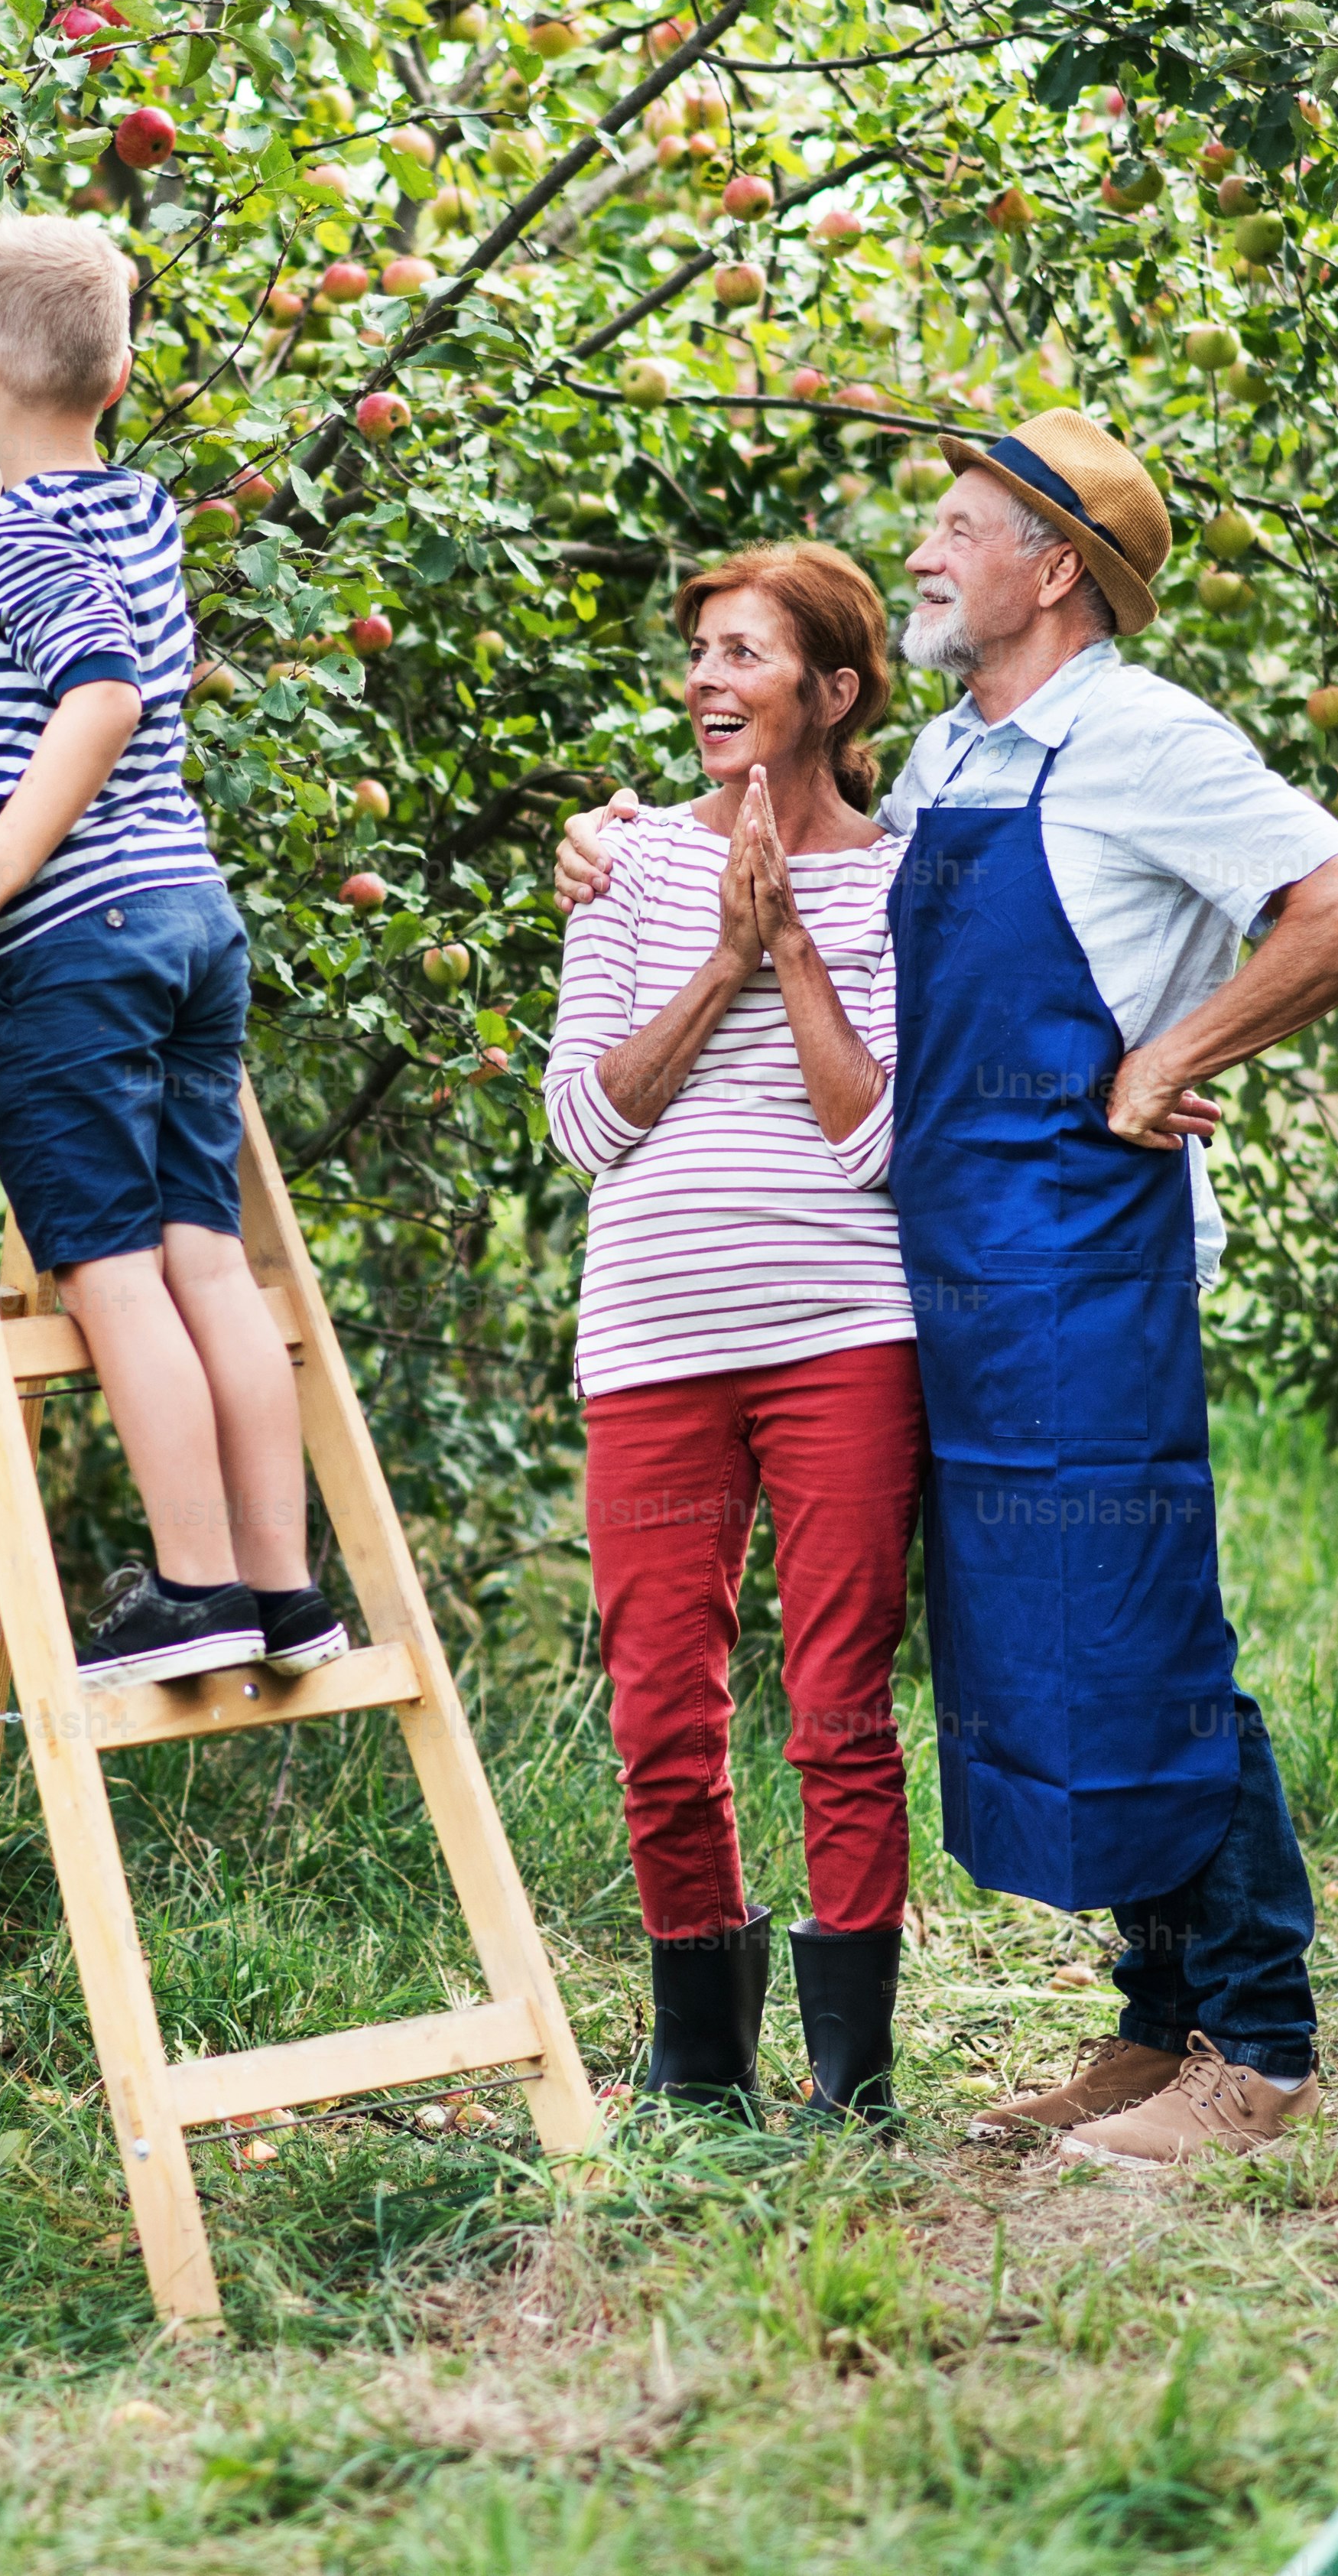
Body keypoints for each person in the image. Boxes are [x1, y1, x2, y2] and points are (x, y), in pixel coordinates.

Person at [556, 411, 1338, 2167]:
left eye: (959, 528)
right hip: (956, 1262)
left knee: (1150, 1639)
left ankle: (1257, 2036)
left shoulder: (1152, 737)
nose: (929, 554)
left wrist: (1173, 1054)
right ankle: (1154, 2018)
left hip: (1088, 1264)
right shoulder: (954, 757)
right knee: (1047, 1645)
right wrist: (621, 837)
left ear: (1055, 567)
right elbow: (824, 853)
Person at [0, 216, 349, 1692]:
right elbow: (13, 457)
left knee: (112, 1273)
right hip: (193, 923)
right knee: (210, 1262)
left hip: (76, 936)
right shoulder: (128, 505)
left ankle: (192, 1587)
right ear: (120, 376)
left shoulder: (19, 540)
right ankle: (284, 1591)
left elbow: (105, 698)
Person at [544, 544, 917, 2124]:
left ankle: (855, 2074)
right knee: (660, 1706)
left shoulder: (909, 881)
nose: (704, 679)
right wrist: (717, 952)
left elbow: (880, 1136)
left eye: (745, 654)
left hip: (843, 1327)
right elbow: (581, 1120)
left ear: (832, 695)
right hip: (651, 1336)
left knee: (839, 1698)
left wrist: (789, 946)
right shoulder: (622, 864)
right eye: (698, 651)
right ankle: (699, 2057)